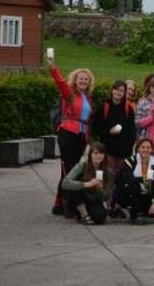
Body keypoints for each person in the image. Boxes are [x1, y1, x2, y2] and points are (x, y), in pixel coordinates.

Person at [45, 52, 94, 216]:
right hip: (68, 133)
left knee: (68, 169)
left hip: (81, 135)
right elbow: (59, 81)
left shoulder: (87, 97)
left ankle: (58, 203)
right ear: (75, 80)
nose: (83, 81)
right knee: (69, 169)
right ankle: (69, 206)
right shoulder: (69, 92)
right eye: (81, 78)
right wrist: (52, 65)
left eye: (86, 79)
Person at [92, 79, 136, 180]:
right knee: (108, 177)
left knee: (122, 178)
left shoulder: (128, 109)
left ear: (124, 93)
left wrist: (129, 148)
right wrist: (109, 132)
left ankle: (119, 196)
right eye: (116, 89)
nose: (118, 92)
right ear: (112, 91)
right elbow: (96, 127)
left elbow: (132, 131)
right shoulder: (103, 108)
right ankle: (108, 196)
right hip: (108, 151)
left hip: (124, 152)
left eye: (121, 91)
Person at [62, 141, 112, 225]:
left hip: (93, 200)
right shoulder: (82, 166)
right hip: (78, 200)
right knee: (75, 187)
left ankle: (84, 215)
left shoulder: (107, 172)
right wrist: (87, 184)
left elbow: (105, 197)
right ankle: (84, 215)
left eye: (101, 153)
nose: (98, 156)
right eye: (95, 153)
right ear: (90, 154)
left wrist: (100, 189)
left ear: (104, 155)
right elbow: (65, 183)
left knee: (100, 218)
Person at [114, 137, 154, 225]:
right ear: (138, 149)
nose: (145, 150)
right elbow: (128, 178)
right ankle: (136, 213)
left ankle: (139, 210)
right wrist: (143, 179)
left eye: (148, 147)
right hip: (126, 193)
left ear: (152, 150)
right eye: (143, 147)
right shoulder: (130, 160)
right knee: (134, 184)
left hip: (144, 194)